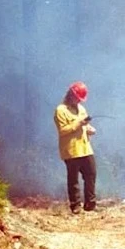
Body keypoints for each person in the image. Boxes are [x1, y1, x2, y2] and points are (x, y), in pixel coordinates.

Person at [54, 81, 97, 214]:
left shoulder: (82, 109)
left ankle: (90, 204)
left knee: (91, 174)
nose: (78, 101)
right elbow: (62, 130)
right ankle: (75, 205)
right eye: (77, 98)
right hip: (71, 150)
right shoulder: (61, 110)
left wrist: (89, 129)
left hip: (85, 148)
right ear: (70, 95)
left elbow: (84, 125)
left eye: (80, 99)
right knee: (73, 179)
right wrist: (79, 123)